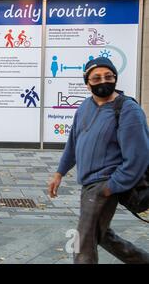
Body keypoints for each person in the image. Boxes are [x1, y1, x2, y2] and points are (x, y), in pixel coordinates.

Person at [48, 57, 149, 264]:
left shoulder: (128, 110)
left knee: (82, 242)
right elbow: (74, 143)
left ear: (115, 78)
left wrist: (111, 187)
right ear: (87, 83)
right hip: (88, 185)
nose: (103, 81)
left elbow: (138, 157)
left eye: (108, 76)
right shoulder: (85, 106)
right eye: (96, 78)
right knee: (101, 235)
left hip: (104, 184)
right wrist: (59, 173)